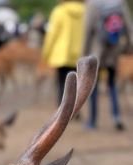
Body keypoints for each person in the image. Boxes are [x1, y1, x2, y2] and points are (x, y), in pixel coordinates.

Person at [83, 0, 132, 130]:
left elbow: (87, 30)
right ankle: (116, 117)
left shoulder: (92, 4)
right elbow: (128, 26)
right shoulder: (119, 3)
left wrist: (84, 53)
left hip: (97, 52)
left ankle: (92, 121)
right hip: (114, 50)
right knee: (112, 84)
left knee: (93, 86)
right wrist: (127, 46)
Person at [43, 0, 87, 106]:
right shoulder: (86, 11)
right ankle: (74, 109)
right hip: (80, 55)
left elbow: (51, 35)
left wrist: (46, 53)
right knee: (76, 84)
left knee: (62, 83)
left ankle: (62, 111)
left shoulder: (59, 11)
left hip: (62, 55)